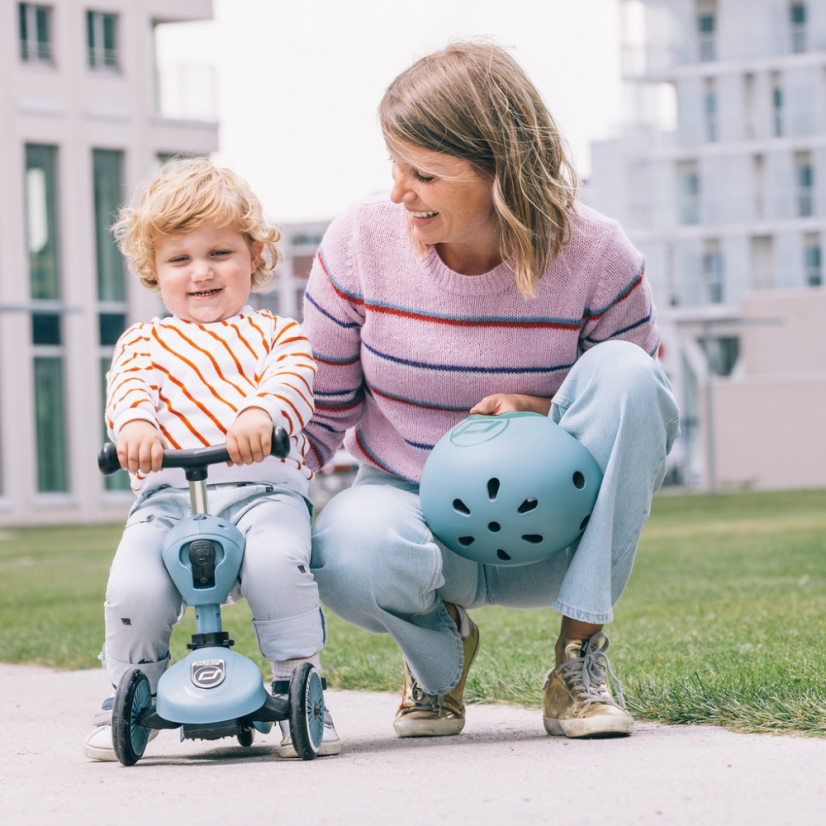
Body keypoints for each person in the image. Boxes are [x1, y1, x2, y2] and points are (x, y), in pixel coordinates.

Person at [302, 41, 680, 739]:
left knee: (632, 373)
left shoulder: (598, 253)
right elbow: (320, 412)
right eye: (394, 165)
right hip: (415, 527)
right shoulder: (360, 241)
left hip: (555, 534)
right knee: (345, 548)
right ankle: (438, 661)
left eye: (425, 174)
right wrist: (255, 496)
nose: (398, 192)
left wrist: (544, 410)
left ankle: (579, 660)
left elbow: (638, 409)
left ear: (501, 172)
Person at [83, 159, 340, 760]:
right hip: (168, 499)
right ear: (154, 270)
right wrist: (137, 427)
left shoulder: (280, 333)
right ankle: (129, 691)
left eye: (220, 253)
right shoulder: (144, 342)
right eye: (179, 259)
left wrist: (261, 417)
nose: (201, 272)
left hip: (264, 492)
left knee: (279, 565)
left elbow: (292, 382)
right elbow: (129, 390)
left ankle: (299, 684)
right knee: (133, 588)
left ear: (254, 254)